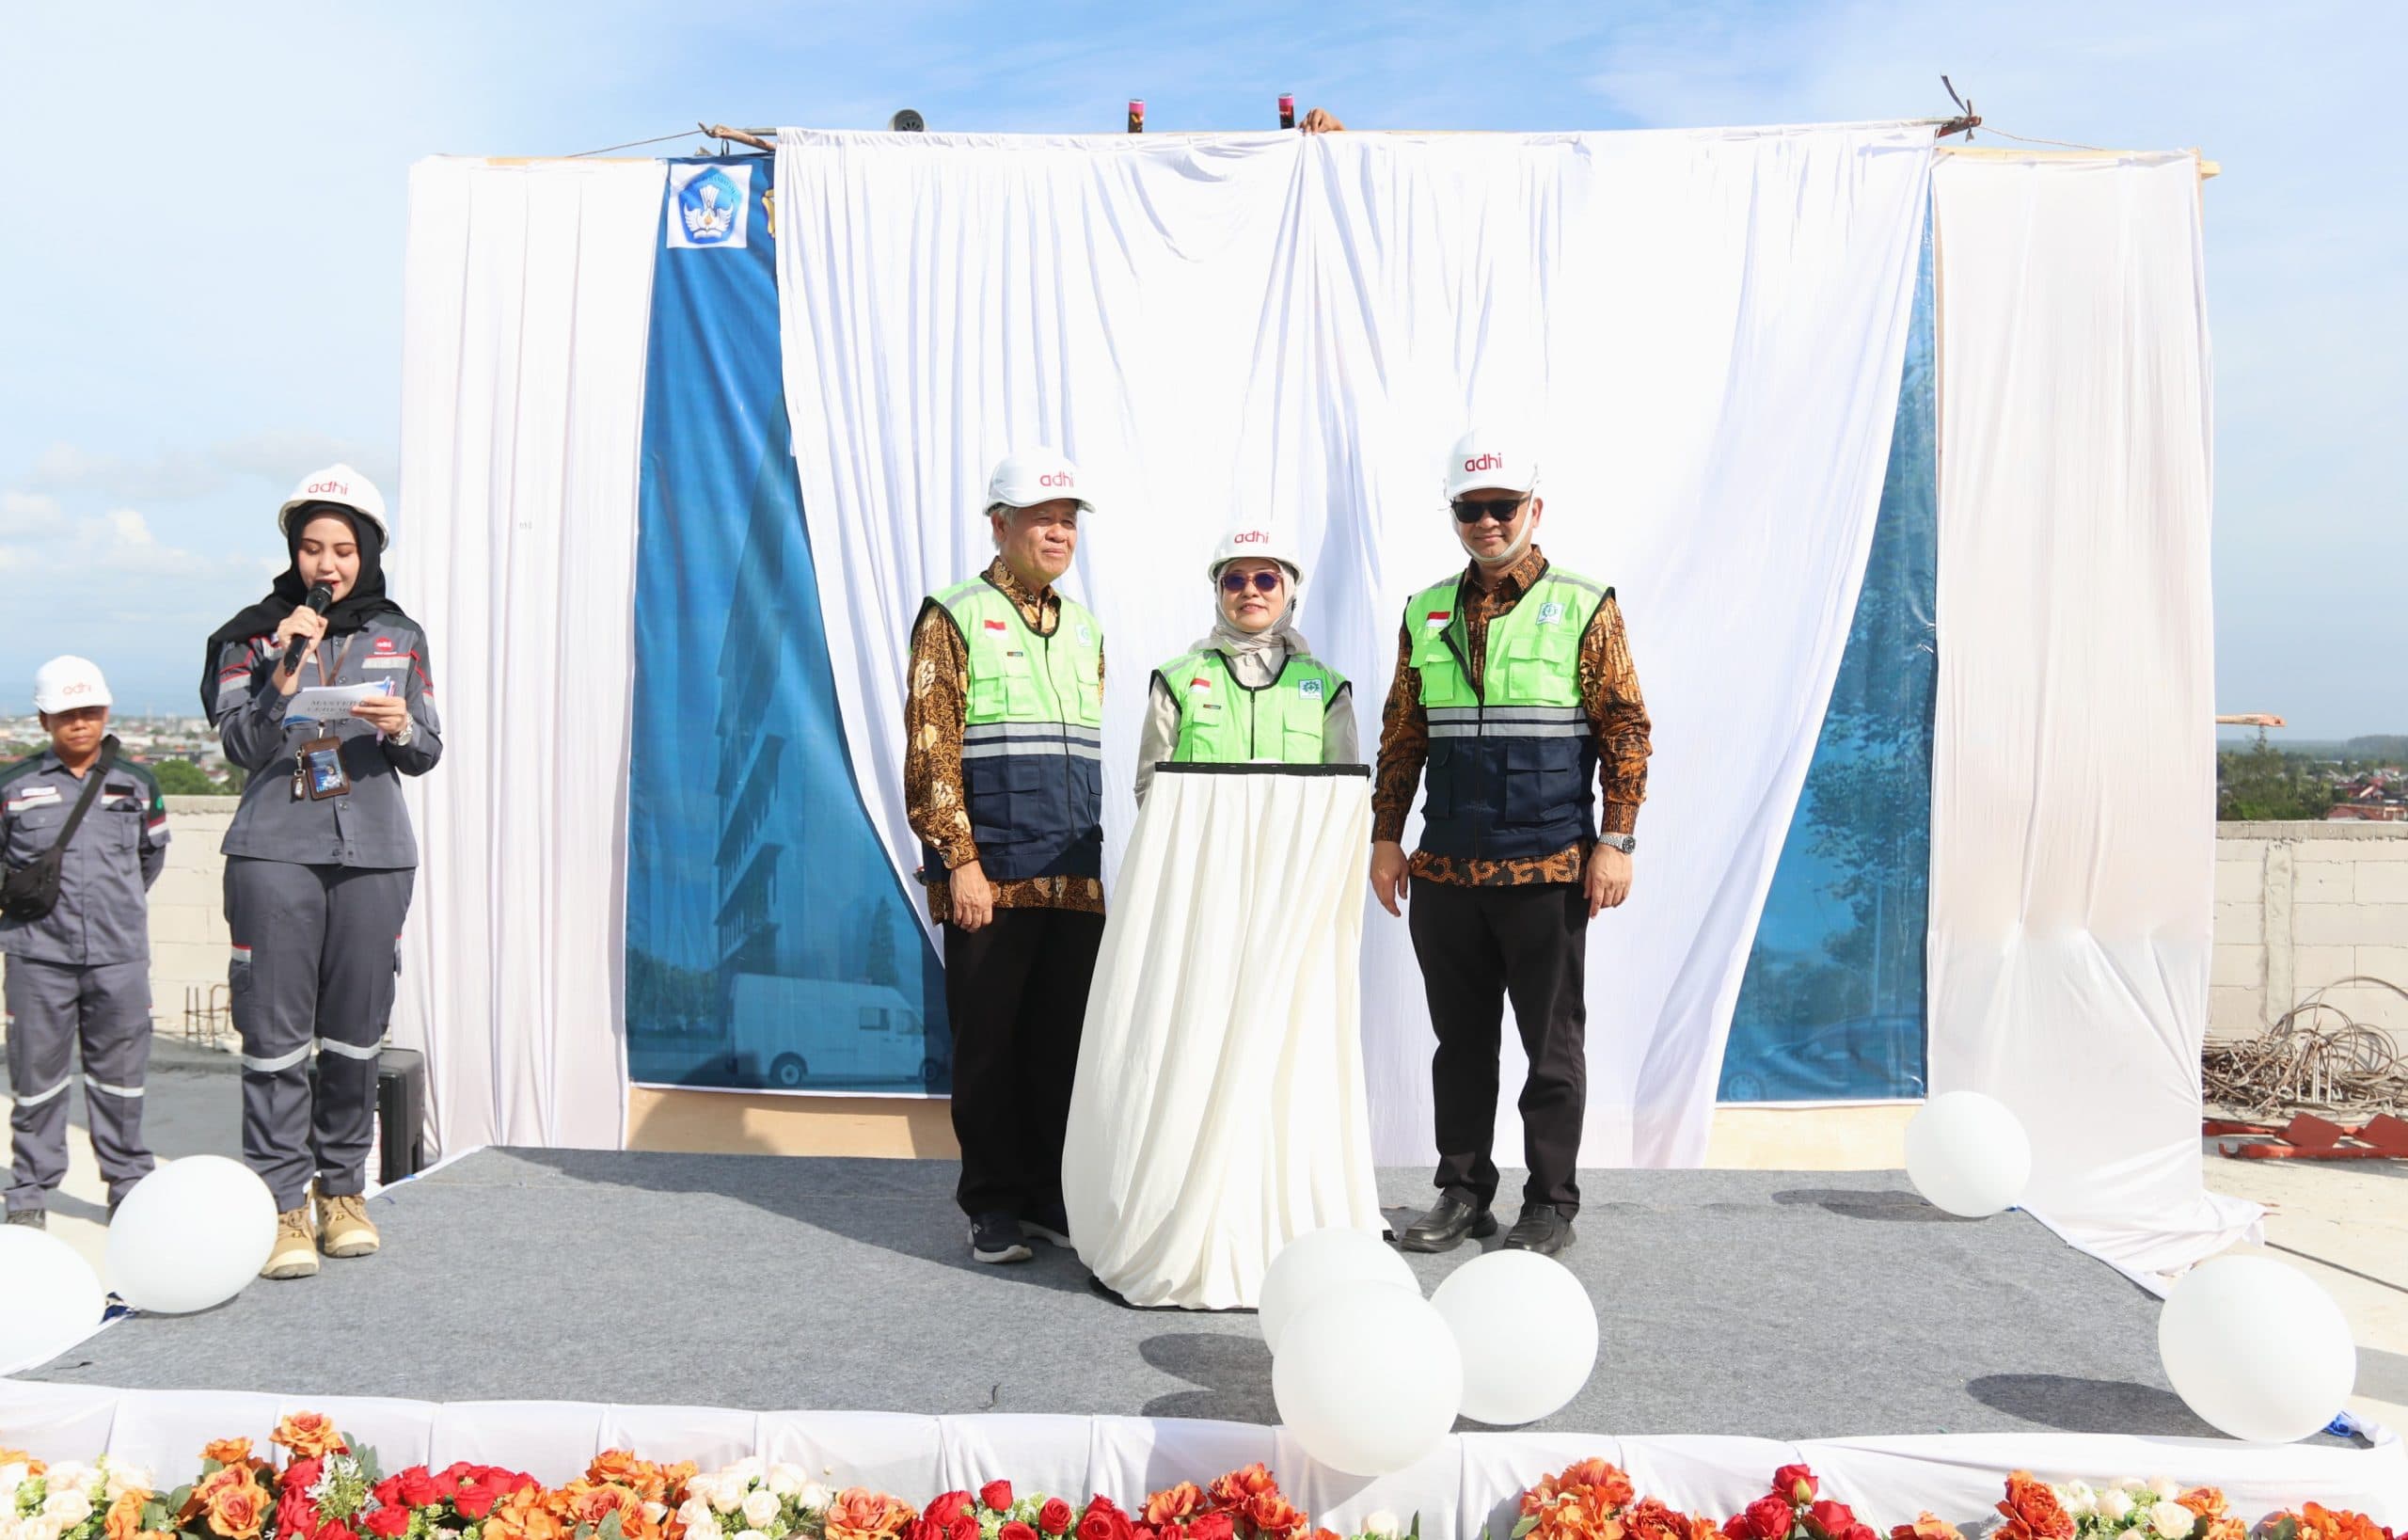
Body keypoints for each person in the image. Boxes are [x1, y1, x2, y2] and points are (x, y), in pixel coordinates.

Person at [1370, 427, 1652, 1257]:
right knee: (1459, 1046)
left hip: (1548, 867)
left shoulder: (1583, 603)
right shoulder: (1425, 610)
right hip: (1448, 868)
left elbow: (1626, 730)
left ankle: (1551, 1202)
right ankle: (1462, 1194)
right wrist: (1386, 836)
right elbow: (1403, 734)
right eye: (1470, 509)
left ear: (1534, 507)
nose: (1486, 522)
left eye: (1501, 507)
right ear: (1454, 514)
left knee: (1550, 1049)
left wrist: (1618, 840)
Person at [201, 464, 442, 1280]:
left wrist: (402, 720)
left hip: (374, 853)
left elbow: (427, 751)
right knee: (273, 1040)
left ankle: (343, 1191)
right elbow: (238, 744)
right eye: (311, 548)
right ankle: (280, 1205)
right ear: (293, 554)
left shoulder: (401, 636)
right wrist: (283, 677)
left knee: (354, 1036)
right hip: (275, 854)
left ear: (369, 551)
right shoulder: (251, 636)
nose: (327, 564)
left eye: (343, 548)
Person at [903, 448, 1106, 1265]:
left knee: (1060, 1045)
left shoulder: (1085, 627)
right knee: (988, 1045)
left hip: (1072, 877)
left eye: (1068, 520)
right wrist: (958, 861)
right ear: (1000, 524)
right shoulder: (952, 615)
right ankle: (991, 1204)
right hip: (990, 876)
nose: (1058, 532)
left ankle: (1048, 1196)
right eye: (1042, 518)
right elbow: (931, 748)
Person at [1, 658, 166, 1229]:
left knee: (120, 1080)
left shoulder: (137, 784)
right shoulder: (14, 787)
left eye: (89, 713)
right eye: (67, 715)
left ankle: (128, 1183)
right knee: (35, 1081)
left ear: (106, 712)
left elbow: (151, 857)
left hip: (118, 958)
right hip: (36, 956)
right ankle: (30, 1189)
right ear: (44, 719)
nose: (80, 724)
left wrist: (113, 908)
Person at [1133, 525, 1357, 801]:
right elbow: (1151, 789)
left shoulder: (1329, 689)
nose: (1250, 591)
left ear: (1288, 590)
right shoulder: (1176, 681)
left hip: (1293, 844)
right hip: (1202, 844)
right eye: (1235, 581)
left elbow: (1344, 795)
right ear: (1219, 591)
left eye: (1266, 580)